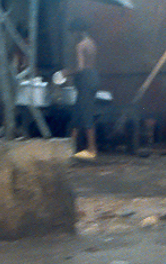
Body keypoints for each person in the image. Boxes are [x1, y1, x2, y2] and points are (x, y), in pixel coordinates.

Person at [66, 19, 99, 161]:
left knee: (86, 114)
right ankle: (70, 148)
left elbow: (80, 68)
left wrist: (66, 72)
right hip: (93, 77)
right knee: (77, 114)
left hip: (85, 79)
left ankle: (92, 149)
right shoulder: (92, 43)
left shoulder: (80, 45)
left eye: (73, 33)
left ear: (77, 31)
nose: (72, 35)